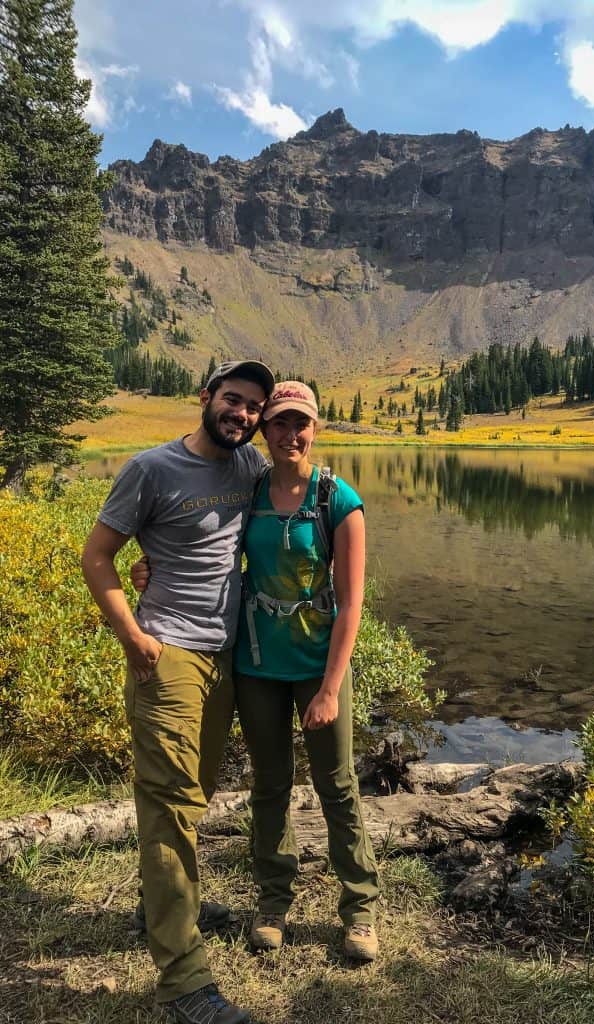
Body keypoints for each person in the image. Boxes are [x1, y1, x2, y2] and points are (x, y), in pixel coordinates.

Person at [81, 359, 274, 1024]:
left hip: (223, 659)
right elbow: (98, 554)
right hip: (167, 655)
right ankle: (184, 982)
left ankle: (163, 907)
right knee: (168, 807)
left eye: (253, 407)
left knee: (192, 795)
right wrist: (133, 636)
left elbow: (281, 512)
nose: (241, 414)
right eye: (232, 400)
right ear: (205, 399)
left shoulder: (249, 469)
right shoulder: (150, 468)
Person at [234, 380, 380, 962]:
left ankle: (360, 911)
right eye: (279, 424)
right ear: (264, 431)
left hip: (320, 669)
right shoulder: (248, 494)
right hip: (257, 665)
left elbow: (351, 604)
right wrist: (151, 570)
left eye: (301, 424)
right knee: (268, 785)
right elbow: (204, 551)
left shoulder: (338, 500)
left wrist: (328, 689)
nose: (290, 435)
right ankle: (273, 903)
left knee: (337, 787)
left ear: (315, 430)